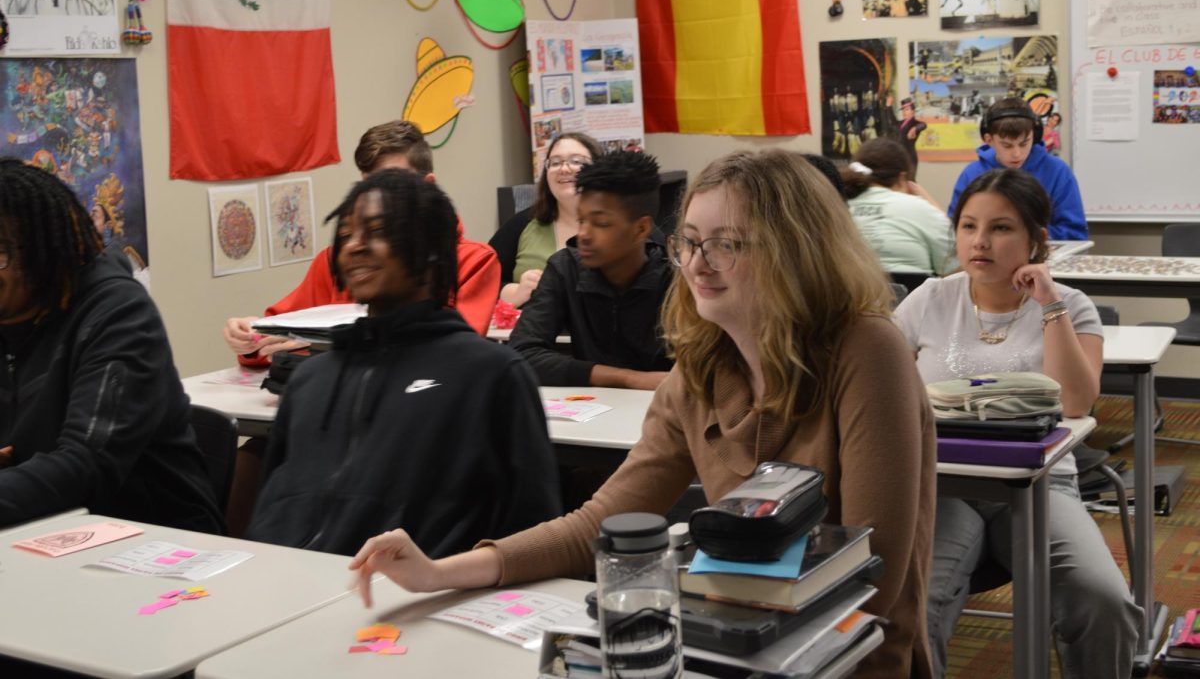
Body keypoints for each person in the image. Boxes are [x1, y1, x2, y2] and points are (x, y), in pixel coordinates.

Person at [349, 149, 937, 678]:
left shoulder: (866, 348)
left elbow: (869, 578)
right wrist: (440, 572)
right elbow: (596, 522)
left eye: (727, 244)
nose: (697, 265)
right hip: (736, 647)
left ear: (795, 251)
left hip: (848, 656)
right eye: (690, 242)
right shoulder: (702, 370)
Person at [893, 169, 1140, 679]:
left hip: (1041, 486)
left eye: (1001, 228)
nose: (980, 242)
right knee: (917, 604)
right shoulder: (929, 300)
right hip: (943, 487)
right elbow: (883, 392)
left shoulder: (1070, 305)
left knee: (1103, 600)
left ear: (1036, 240)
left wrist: (1049, 304)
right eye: (968, 226)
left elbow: (1074, 403)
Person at [244, 170, 561, 556]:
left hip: (413, 598)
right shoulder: (312, 377)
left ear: (429, 249)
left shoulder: (489, 374)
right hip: (292, 591)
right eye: (345, 235)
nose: (355, 246)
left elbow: (531, 534)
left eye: (377, 231)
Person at [0, 158, 222, 532]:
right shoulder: (11, 313)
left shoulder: (118, 313)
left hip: (152, 543)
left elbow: (85, 465)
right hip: (38, 534)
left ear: (39, 249)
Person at [223, 121, 500, 366]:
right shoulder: (339, 259)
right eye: (368, 185)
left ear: (427, 186)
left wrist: (326, 344)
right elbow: (276, 335)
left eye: (392, 183)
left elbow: (458, 353)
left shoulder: (474, 260)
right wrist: (249, 339)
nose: (376, 198)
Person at [509, 150, 673, 390]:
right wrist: (627, 378)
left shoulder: (676, 279)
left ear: (640, 229)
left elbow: (705, 366)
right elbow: (521, 353)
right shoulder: (565, 268)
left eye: (601, 223)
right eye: (581, 220)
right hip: (592, 415)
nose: (583, 235)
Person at [489, 132, 603, 308]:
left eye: (576, 161)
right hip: (532, 332)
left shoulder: (623, 224)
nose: (564, 169)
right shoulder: (522, 224)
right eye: (555, 163)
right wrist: (517, 293)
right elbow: (481, 282)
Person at [948, 97, 1088, 240]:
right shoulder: (972, 174)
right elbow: (956, 227)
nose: (1017, 154)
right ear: (989, 140)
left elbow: (1075, 233)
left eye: (1024, 143)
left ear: (1035, 136)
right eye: (1007, 145)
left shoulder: (1057, 171)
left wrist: (1027, 237)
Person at [840, 138, 956, 277]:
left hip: (850, 295)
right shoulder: (920, 209)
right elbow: (955, 268)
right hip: (913, 297)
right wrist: (930, 203)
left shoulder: (837, 207)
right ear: (902, 178)